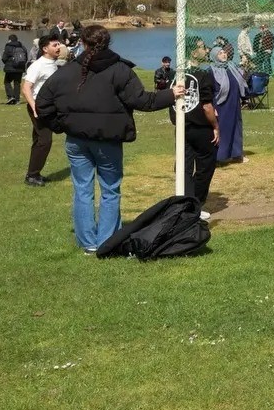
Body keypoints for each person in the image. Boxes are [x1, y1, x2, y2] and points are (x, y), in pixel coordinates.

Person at [35, 25, 182, 253]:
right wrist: (171, 94)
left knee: (82, 190)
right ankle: (106, 242)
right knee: (110, 190)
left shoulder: (71, 72)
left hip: (78, 140)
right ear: (108, 42)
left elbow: (42, 102)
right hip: (105, 140)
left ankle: (89, 244)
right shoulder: (118, 70)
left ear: (83, 43)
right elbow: (143, 101)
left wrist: (62, 125)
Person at [174, 38, 219, 210]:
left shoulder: (175, 74)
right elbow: (207, 106)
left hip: (181, 127)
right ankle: (195, 204)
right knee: (205, 165)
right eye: (202, 48)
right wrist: (216, 126)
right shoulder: (202, 75)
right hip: (200, 128)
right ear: (192, 52)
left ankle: (185, 203)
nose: (206, 50)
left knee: (183, 166)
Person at [21, 34, 65, 186]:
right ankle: (32, 176)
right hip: (39, 107)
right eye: (55, 45)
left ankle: (34, 173)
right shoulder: (38, 65)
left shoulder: (53, 63)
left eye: (59, 44)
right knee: (45, 141)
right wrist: (34, 108)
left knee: (39, 140)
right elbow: (26, 88)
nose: (58, 47)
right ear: (45, 49)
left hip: (49, 107)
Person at [210, 45, 248, 163]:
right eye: (220, 53)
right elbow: (209, 90)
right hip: (221, 105)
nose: (223, 54)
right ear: (214, 56)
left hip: (234, 103)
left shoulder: (231, 67)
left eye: (224, 52)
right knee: (222, 129)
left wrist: (245, 67)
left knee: (236, 128)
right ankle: (220, 156)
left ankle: (237, 155)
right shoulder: (211, 71)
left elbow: (242, 79)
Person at [1, 33, 29, 105]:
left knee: (7, 82)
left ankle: (10, 96)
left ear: (9, 40)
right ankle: (17, 99)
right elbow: (26, 58)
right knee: (17, 83)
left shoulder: (8, 47)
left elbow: (4, 58)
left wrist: (7, 64)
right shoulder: (22, 47)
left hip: (10, 68)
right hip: (20, 68)